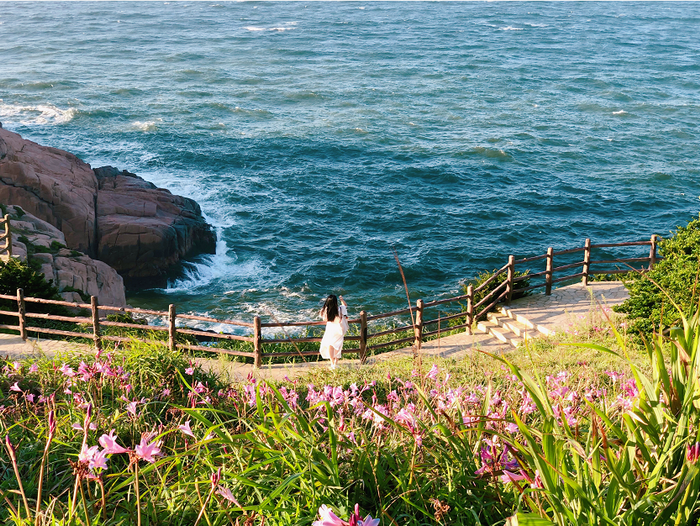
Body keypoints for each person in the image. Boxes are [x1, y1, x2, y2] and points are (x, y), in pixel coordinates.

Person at [319, 294, 349, 370]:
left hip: (330, 328)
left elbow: (324, 320)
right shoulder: (340, 309)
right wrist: (342, 300)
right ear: (336, 302)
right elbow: (345, 306)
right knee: (338, 346)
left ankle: (332, 363)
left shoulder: (326, 311)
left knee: (330, 345)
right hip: (339, 329)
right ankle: (335, 363)